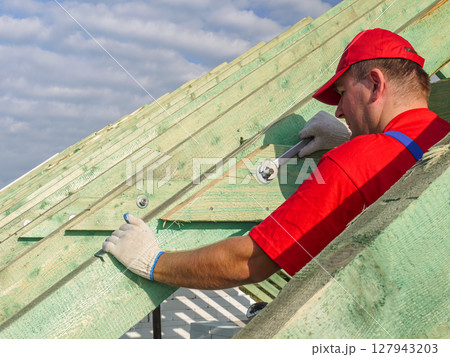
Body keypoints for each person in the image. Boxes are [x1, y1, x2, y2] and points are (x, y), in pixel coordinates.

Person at [102, 29, 450, 289]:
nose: (340, 110)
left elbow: (250, 261)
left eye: (343, 94)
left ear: (375, 85)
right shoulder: (441, 138)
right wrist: (354, 140)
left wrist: (153, 262)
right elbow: (401, 160)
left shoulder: (355, 161)